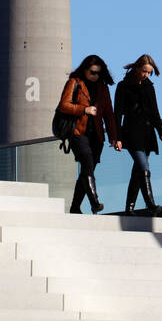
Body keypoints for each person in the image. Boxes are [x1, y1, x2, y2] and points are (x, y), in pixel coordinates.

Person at [57, 55, 121, 214]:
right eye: (92, 72)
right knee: (86, 163)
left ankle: (74, 207)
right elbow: (63, 106)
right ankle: (95, 202)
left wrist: (114, 137)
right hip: (77, 132)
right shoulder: (75, 83)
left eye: (99, 73)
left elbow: (109, 115)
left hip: (97, 136)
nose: (95, 76)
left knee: (87, 170)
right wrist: (83, 109)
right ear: (85, 70)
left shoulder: (103, 88)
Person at [114, 54, 162, 214]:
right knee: (144, 167)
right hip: (131, 132)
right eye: (144, 71)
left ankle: (129, 208)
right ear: (137, 67)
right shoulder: (123, 86)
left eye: (149, 72)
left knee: (138, 170)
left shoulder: (149, 87)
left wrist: (161, 131)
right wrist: (117, 137)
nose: (146, 75)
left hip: (147, 133)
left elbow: (154, 111)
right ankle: (150, 204)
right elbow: (117, 113)